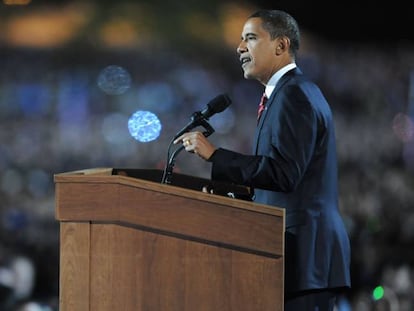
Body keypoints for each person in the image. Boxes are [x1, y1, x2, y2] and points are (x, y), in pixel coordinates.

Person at [173, 9, 351, 311]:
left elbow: (284, 174)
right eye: (241, 39)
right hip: (299, 257)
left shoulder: (294, 95)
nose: (240, 47)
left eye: (251, 38)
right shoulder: (288, 93)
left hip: (303, 258)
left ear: (281, 46)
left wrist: (216, 156)